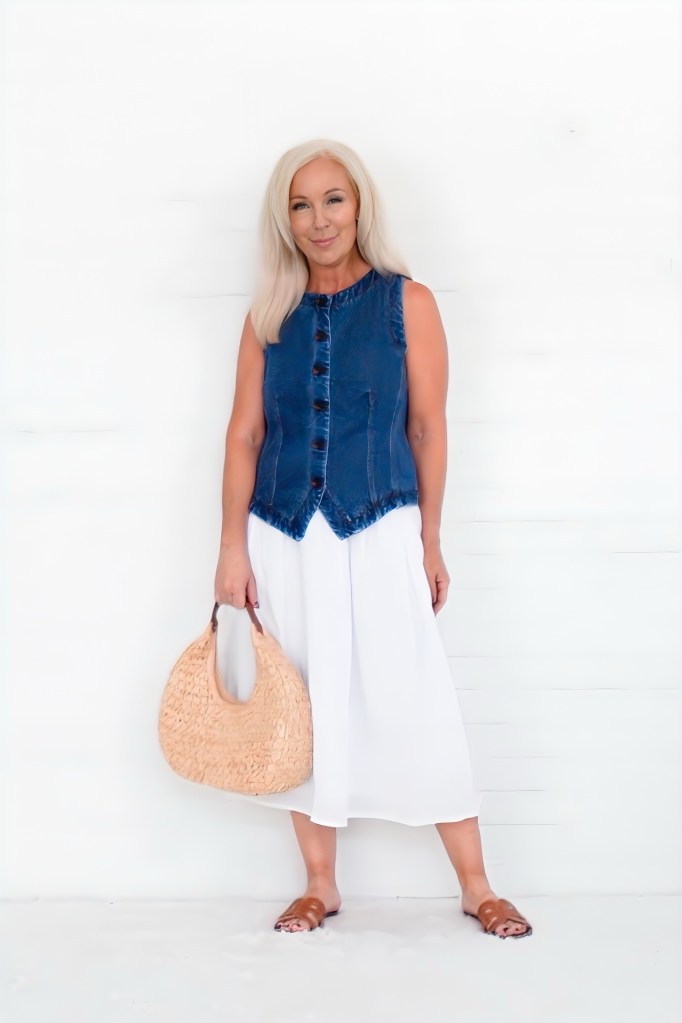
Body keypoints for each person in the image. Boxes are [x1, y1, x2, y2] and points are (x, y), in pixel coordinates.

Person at [213, 139, 533, 939]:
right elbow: (244, 435)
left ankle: (476, 883)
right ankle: (320, 884)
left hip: (379, 525)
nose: (318, 219)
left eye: (333, 199)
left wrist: (429, 539)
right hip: (285, 533)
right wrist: (230, 548)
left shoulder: (408, 302)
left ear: (360, 206)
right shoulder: (266, 317)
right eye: (300, 204)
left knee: (413, 694)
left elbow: (427, 427)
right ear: (283, 220)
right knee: (300, 708)